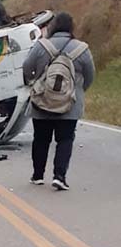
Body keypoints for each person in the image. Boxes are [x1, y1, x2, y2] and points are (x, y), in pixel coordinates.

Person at [23, 12, 95, 191]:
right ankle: (59, 176)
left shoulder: (41, 46)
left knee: (41, 138)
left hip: (42, 101)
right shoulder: (82, 49)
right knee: (65, 139)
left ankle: (38, 175)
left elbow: (27, 67)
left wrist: (33, 82)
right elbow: (90, 75)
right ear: (71, 27)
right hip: (69, 104)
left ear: (53, 26)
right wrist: (77, 91)